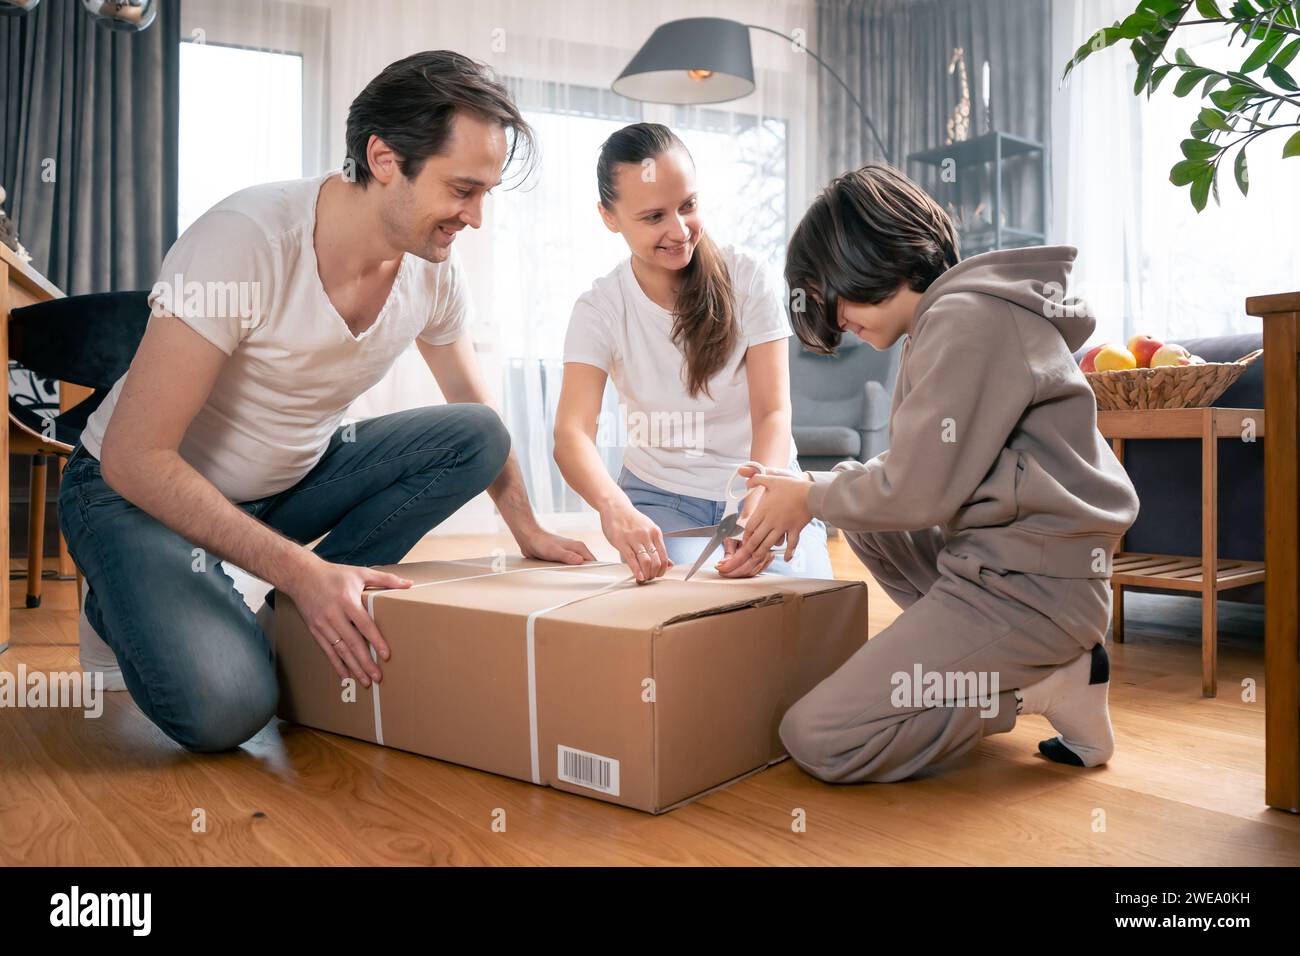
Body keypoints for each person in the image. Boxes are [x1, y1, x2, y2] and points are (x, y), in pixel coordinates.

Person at [59, 51, 594, 754]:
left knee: (476, 434)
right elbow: (134, 457)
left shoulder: (432, 273)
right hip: (133, 495)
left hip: (282, 488)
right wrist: (302, 567)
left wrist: (528, 529)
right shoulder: (246, 238)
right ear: (383, 157)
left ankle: (291, 612)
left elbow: (474, 406)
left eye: (486, 193)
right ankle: (126, 599)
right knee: (227, 711)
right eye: (463, 189)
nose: (476, 217)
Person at [733, 163, 1140, 781]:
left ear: (873, 258)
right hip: (1007, 569)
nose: (837, 319)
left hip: (1032, 589)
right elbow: (916, 475)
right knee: (861, 500)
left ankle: (1044, 685)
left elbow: (917, 491)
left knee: (817, 736)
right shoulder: (948, 320)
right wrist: (815, 493)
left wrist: (809, 497)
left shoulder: (965, 320)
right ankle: (993, 659)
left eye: (833, 295)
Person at [553, 122, 832, 584]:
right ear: (608, 216)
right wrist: (615, 509)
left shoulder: (748, 279)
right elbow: (571, 433)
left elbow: (772, 412)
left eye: (688, 206)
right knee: (693, 610)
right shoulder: (599, 308)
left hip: (765, 483)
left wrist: (753, 505)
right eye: (653, 217)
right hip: (660, 496)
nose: (679, 230)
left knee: (801, 599)